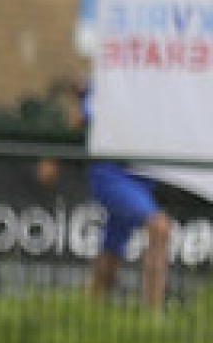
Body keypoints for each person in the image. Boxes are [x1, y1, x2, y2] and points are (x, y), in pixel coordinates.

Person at [72, 86, 173, 310]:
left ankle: (79, 311)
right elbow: (80, 116)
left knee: (110, 260)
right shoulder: (116, 77)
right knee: (160, 228)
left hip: (144, 178)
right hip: (111, 174)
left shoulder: (166, 85)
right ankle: (154, 319)